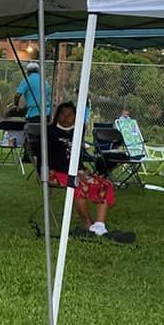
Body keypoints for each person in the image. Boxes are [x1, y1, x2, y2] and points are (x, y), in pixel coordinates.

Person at [47, 101, 116, 237]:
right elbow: (49, 158)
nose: (66, 118)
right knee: (77, 184)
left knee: (105, 184)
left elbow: (78, 156)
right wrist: (75, 173)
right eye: (63, 114)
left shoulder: (78, 131)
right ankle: (87, 223)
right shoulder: (50, 132)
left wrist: (81, 170)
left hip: (77, 171)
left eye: (70, 115)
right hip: (55, 171)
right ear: (57, 115)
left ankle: (99, 226)